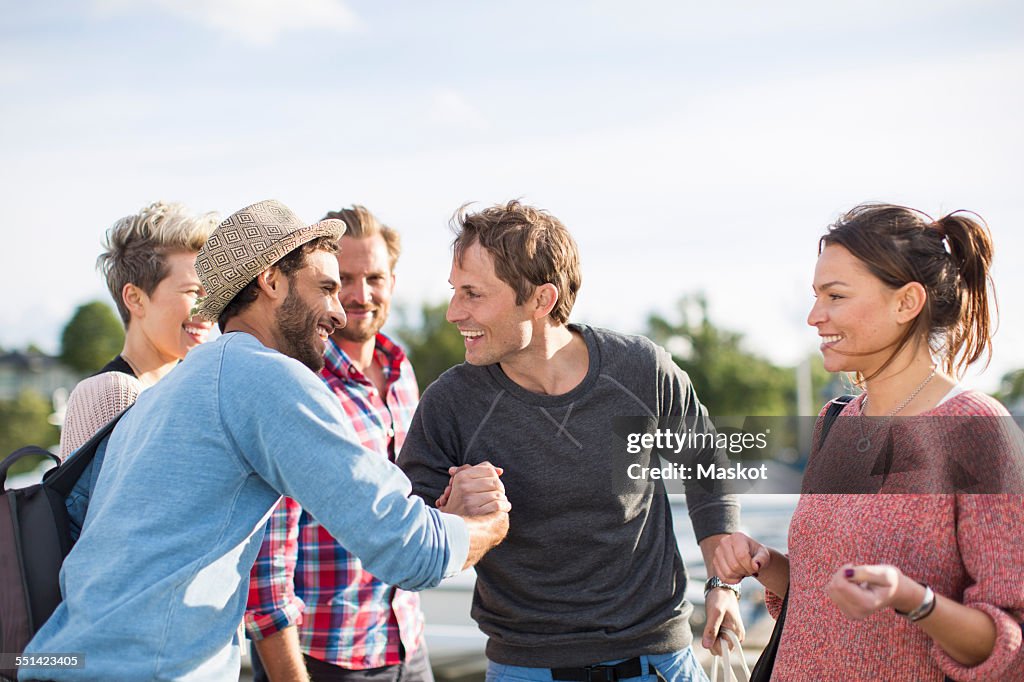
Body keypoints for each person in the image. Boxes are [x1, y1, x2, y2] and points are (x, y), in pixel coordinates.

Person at [22, 199, 509, 681]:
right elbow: (408, 550)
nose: (339, 312)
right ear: (271, 281)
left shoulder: (178, 387)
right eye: (325, 287)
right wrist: (484, 524)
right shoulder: (266, 379)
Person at [398, 200, 742, 682]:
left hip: (661, 662)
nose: (455, 312)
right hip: (524, 669)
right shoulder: (450, 403)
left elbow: (708, 467)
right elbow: (408, 542)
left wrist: (722, 583)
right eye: (455, 292)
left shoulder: (641, 370)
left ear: (541, 300)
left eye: (473, 293)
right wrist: (450, 517)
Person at [713, 203, 1024, 680]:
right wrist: (764, 562)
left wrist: (913, 600)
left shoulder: (975, 428)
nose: (815, 316)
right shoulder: (836, 421)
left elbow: (1009, 645)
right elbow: (824, 593)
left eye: (835, 296)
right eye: (816, 296)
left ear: (906, 302)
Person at [246, 206, 433, 681]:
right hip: (322, 657)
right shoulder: (295, 380)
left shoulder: (400, 369)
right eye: (341, 279)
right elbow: (266, 556)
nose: (360, 294)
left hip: (407, 644)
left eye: (375, 277)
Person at [59, 200, 218, 458]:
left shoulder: (181, 393)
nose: (210, 308)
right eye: (193, 291)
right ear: (135, 298)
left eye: (213, 293)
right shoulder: (114, 392)